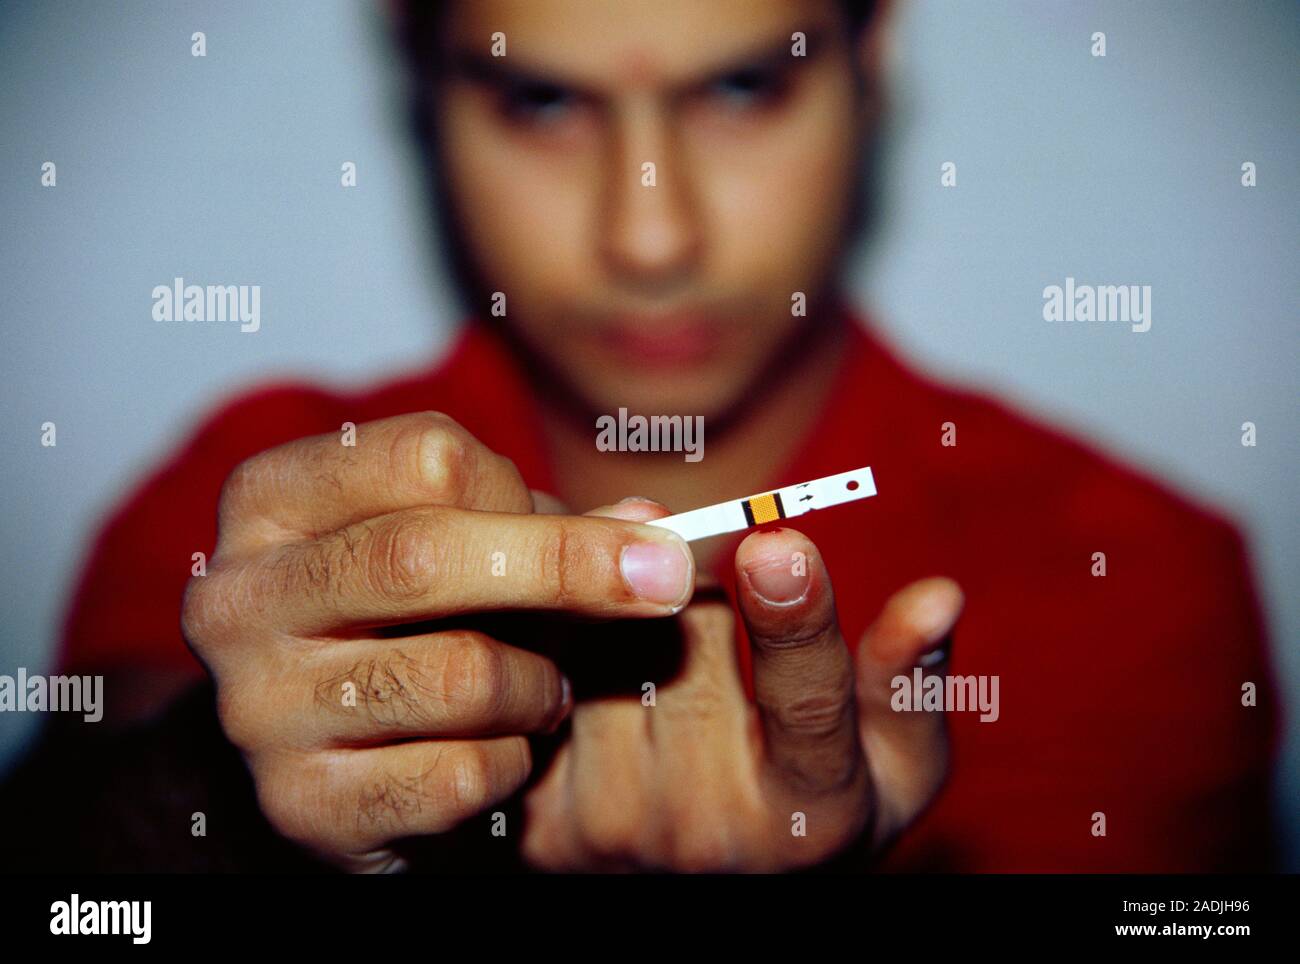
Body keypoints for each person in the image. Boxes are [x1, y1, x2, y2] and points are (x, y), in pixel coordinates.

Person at [2, 0, 1279, 873]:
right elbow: (73, 863)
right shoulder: (262, 502)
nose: (650, 240)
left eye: (739, 87)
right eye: (542, 105)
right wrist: (230, 783)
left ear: (870, 60)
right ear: (425, 91)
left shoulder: (1137, 571)